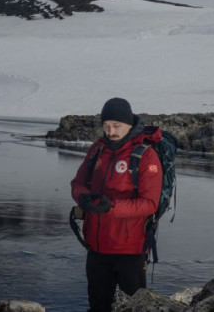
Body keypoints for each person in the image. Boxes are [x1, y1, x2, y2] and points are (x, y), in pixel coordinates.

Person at [70, 97, 163, 312]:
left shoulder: (145, 155)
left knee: (134, 307)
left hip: (130, 250)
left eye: (116, 126)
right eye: (106, 126)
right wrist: (82, 196)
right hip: (96, 247)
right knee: (97, 306)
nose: (110, 132)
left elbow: (150, 203)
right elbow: (78, 183)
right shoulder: (97, 149)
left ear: (129, 125)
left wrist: (111, 207)